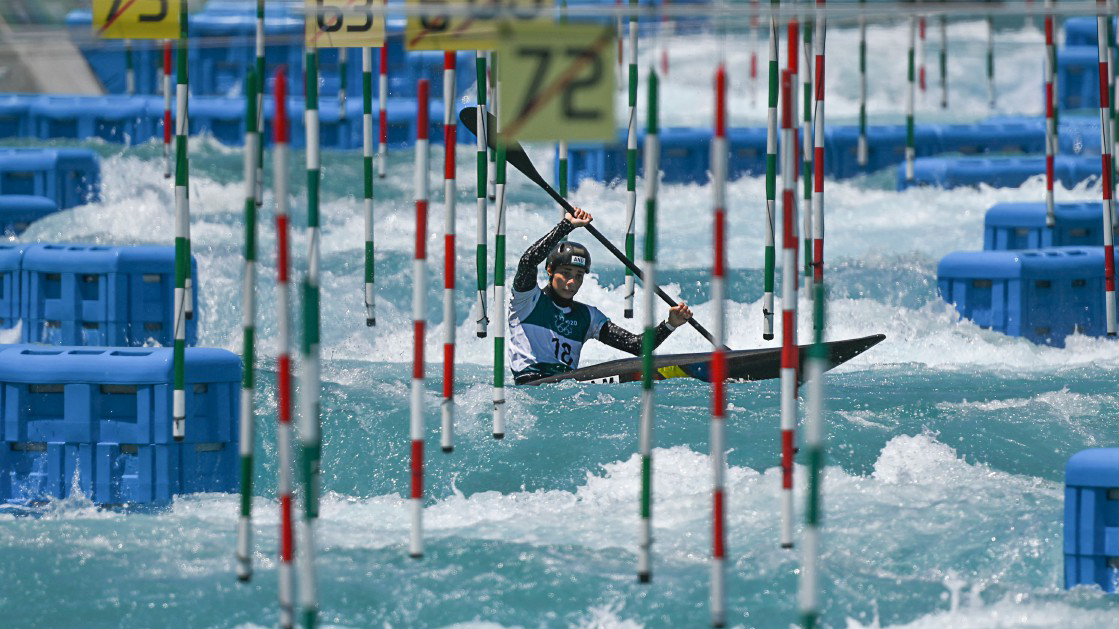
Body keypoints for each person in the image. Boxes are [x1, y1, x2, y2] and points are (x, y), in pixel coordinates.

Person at [508, 207, 693, 385]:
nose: (571, 282)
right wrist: (566, 225)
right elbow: (527, 262)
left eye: (578, 276)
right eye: (565, 273)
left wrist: (670, 324)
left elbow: (636, 346)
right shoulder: (527, 300)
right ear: (550, 270)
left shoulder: (588, 317)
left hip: (565, 391)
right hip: (530, 385)